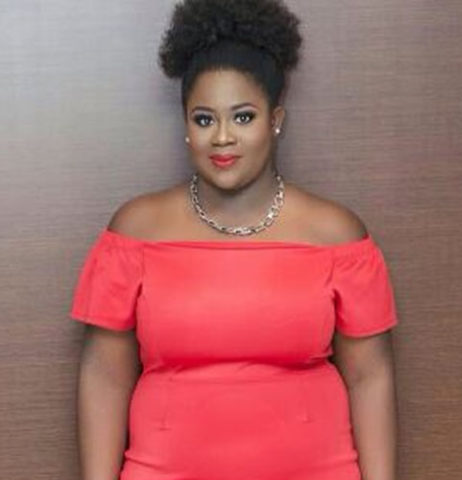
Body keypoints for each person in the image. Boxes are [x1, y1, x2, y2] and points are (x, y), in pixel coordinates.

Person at [69, 0, 399, 479]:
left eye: (243, 117)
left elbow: (370, 377)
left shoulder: (336, 235)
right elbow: (105, 376)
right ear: (185, 125)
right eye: (204, 119)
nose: (222, 137)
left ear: (276, 119)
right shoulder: (135, 231)